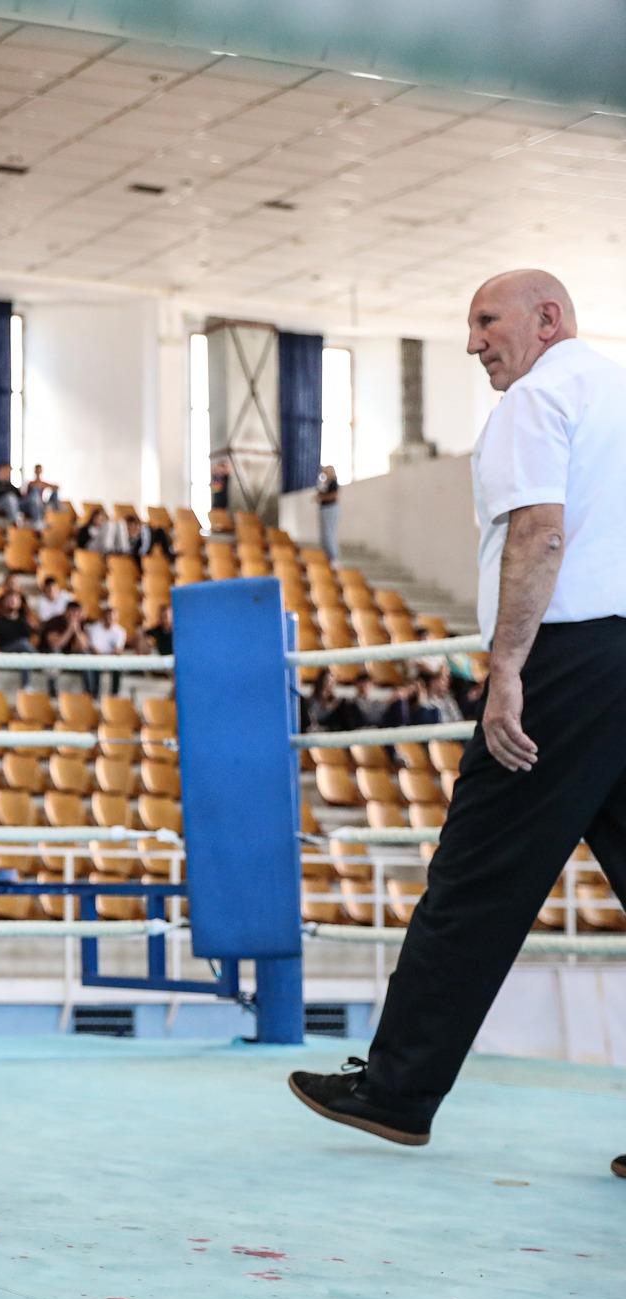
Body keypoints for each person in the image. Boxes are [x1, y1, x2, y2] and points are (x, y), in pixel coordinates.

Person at [287, 270, 626, 1183]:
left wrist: (507, 668)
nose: (474, 341)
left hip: (564, 662)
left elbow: (539, 534)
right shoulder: (617, 389)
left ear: (547, 318)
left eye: (487, 320)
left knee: (477, 877)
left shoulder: (539, 397)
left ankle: (397, 1090)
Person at [84, 605, 127, 698]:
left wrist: (106, 654)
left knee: (118, 665)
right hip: (97, 658)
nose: (110, 619)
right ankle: (95, 692)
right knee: (96, 663)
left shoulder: (120, 631)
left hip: (111, 659)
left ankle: (114, 694)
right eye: (107, 616)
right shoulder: (95, 629)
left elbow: (118, 651)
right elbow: (95, 651)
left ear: (116, 618)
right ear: (103, 617)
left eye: (112, 617)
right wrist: (109, 653)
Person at [315, 464, 342, 565]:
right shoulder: (325, 483)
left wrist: (322, 497)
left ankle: (334, 558)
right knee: (324, 535)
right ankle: (326, 556)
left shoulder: (333, 482)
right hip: (324, 509)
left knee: (329, 534)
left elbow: (333, 496)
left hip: (330, 509)